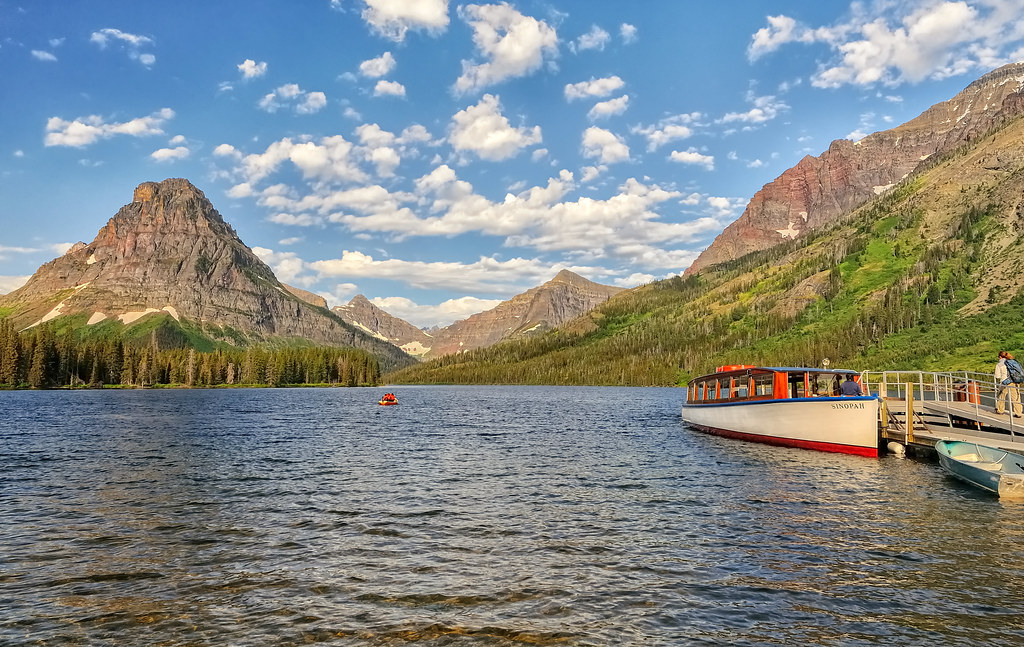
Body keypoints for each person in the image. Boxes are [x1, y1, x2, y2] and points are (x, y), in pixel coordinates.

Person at [994, 351, 1023, 417]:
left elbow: (997, 376)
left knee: (1001, 395)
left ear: (1000, 357)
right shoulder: (1012, 362)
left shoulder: (999, 364)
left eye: (998, 357)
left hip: (1005, 382)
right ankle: (1018, 413)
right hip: (1015, 381)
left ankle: (1000, 410)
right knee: (1016, 398)